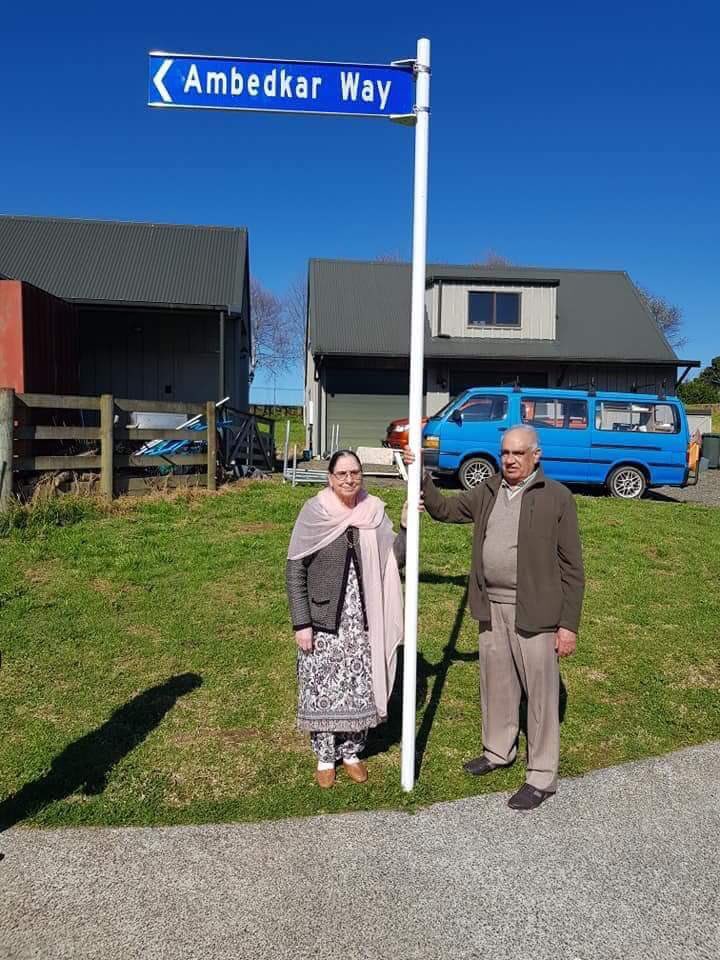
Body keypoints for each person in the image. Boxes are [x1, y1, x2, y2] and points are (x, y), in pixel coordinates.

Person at [404, 425, 584, 810]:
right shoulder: (489, 490)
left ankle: (541, 777)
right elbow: (446, 511)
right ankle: (499, 751)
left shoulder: (557, 498)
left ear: (536, 455)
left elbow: (573, 569)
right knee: (497, 683)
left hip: (537, 612)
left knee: (540, 696)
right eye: (505, 453)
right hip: (491, 606)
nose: (509, 460)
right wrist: (421, 477)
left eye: (518, 454)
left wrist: (568, 625)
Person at [286, 450, 406, 788]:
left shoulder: (374, 511)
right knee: (322, 686)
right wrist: (302, 622)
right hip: (324, 620)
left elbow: (392, 559)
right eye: (342, 474)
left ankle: (352, 751)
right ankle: (326, 756)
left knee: (359, 686)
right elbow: (295, 570)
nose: (349, 479)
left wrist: (408, 527)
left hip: (364, 620)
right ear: (330, 477)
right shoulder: (315, 512)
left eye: (354, 473)